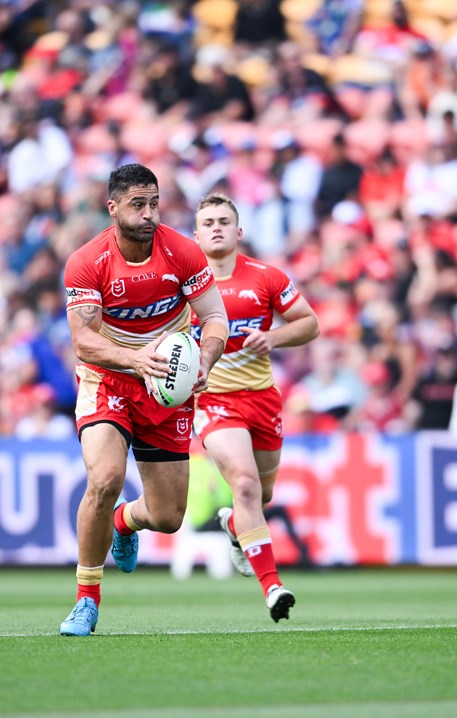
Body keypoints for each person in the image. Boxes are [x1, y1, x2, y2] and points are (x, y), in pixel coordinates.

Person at [58, 164, 229, 637]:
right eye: (138, 204)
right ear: (112, 207)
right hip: (108, 381)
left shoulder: (183, 252)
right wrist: (135, 359)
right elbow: (83, 341)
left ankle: (124, 522)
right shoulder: (88, 261)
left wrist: (207, 361)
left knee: (170, 517)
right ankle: (87, 600)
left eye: (154, 202)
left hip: (166, 388)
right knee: (106, 476)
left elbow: (215, 317)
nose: (149, 213)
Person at [191, 193, 319, 622]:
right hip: (213, 401)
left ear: (239, 230)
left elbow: (309, 322)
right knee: (244, 484)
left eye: (224, 221)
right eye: (207, 222)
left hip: (262, 398)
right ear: (195, 234)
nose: (216, 227)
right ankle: (273, 587)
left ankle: (234, 527)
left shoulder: (266, 277)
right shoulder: (181, 288)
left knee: (259, 497)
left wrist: (275, 338)